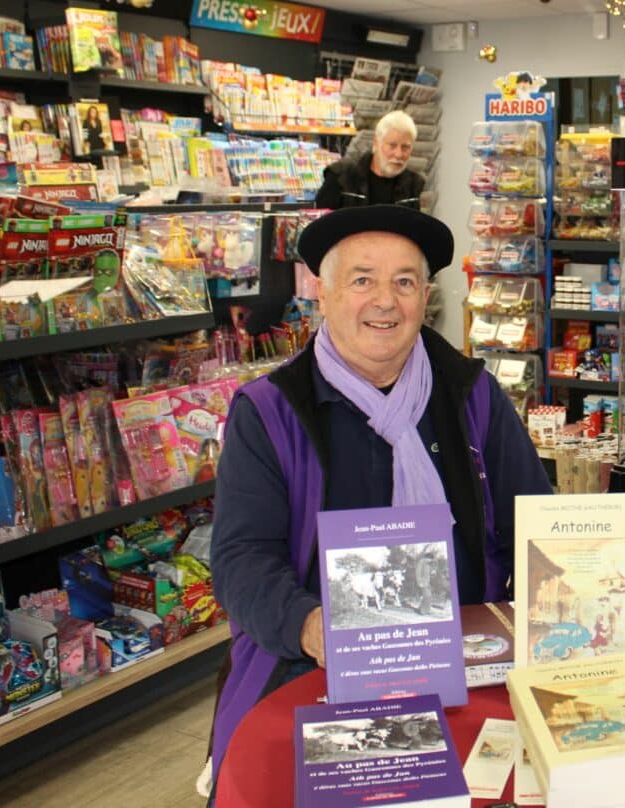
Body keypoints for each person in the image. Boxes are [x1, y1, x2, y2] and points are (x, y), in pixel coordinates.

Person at [208, 205, 551, 790]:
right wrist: (307, 623)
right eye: (362, 279)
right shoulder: (269, 412)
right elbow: (240, 559)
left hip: (472, 668)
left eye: (405, 282)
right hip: (317, 674)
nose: (385, 301)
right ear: (323, 292)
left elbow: (536, 523)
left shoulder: (473, 396)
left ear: (425, 297)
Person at [314, 110, 425, 209]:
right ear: (376, 143)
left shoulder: (413, 185)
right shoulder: (341, 176)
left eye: (405, 147)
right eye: (392, 145)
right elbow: (321, 225)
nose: (398, 154)